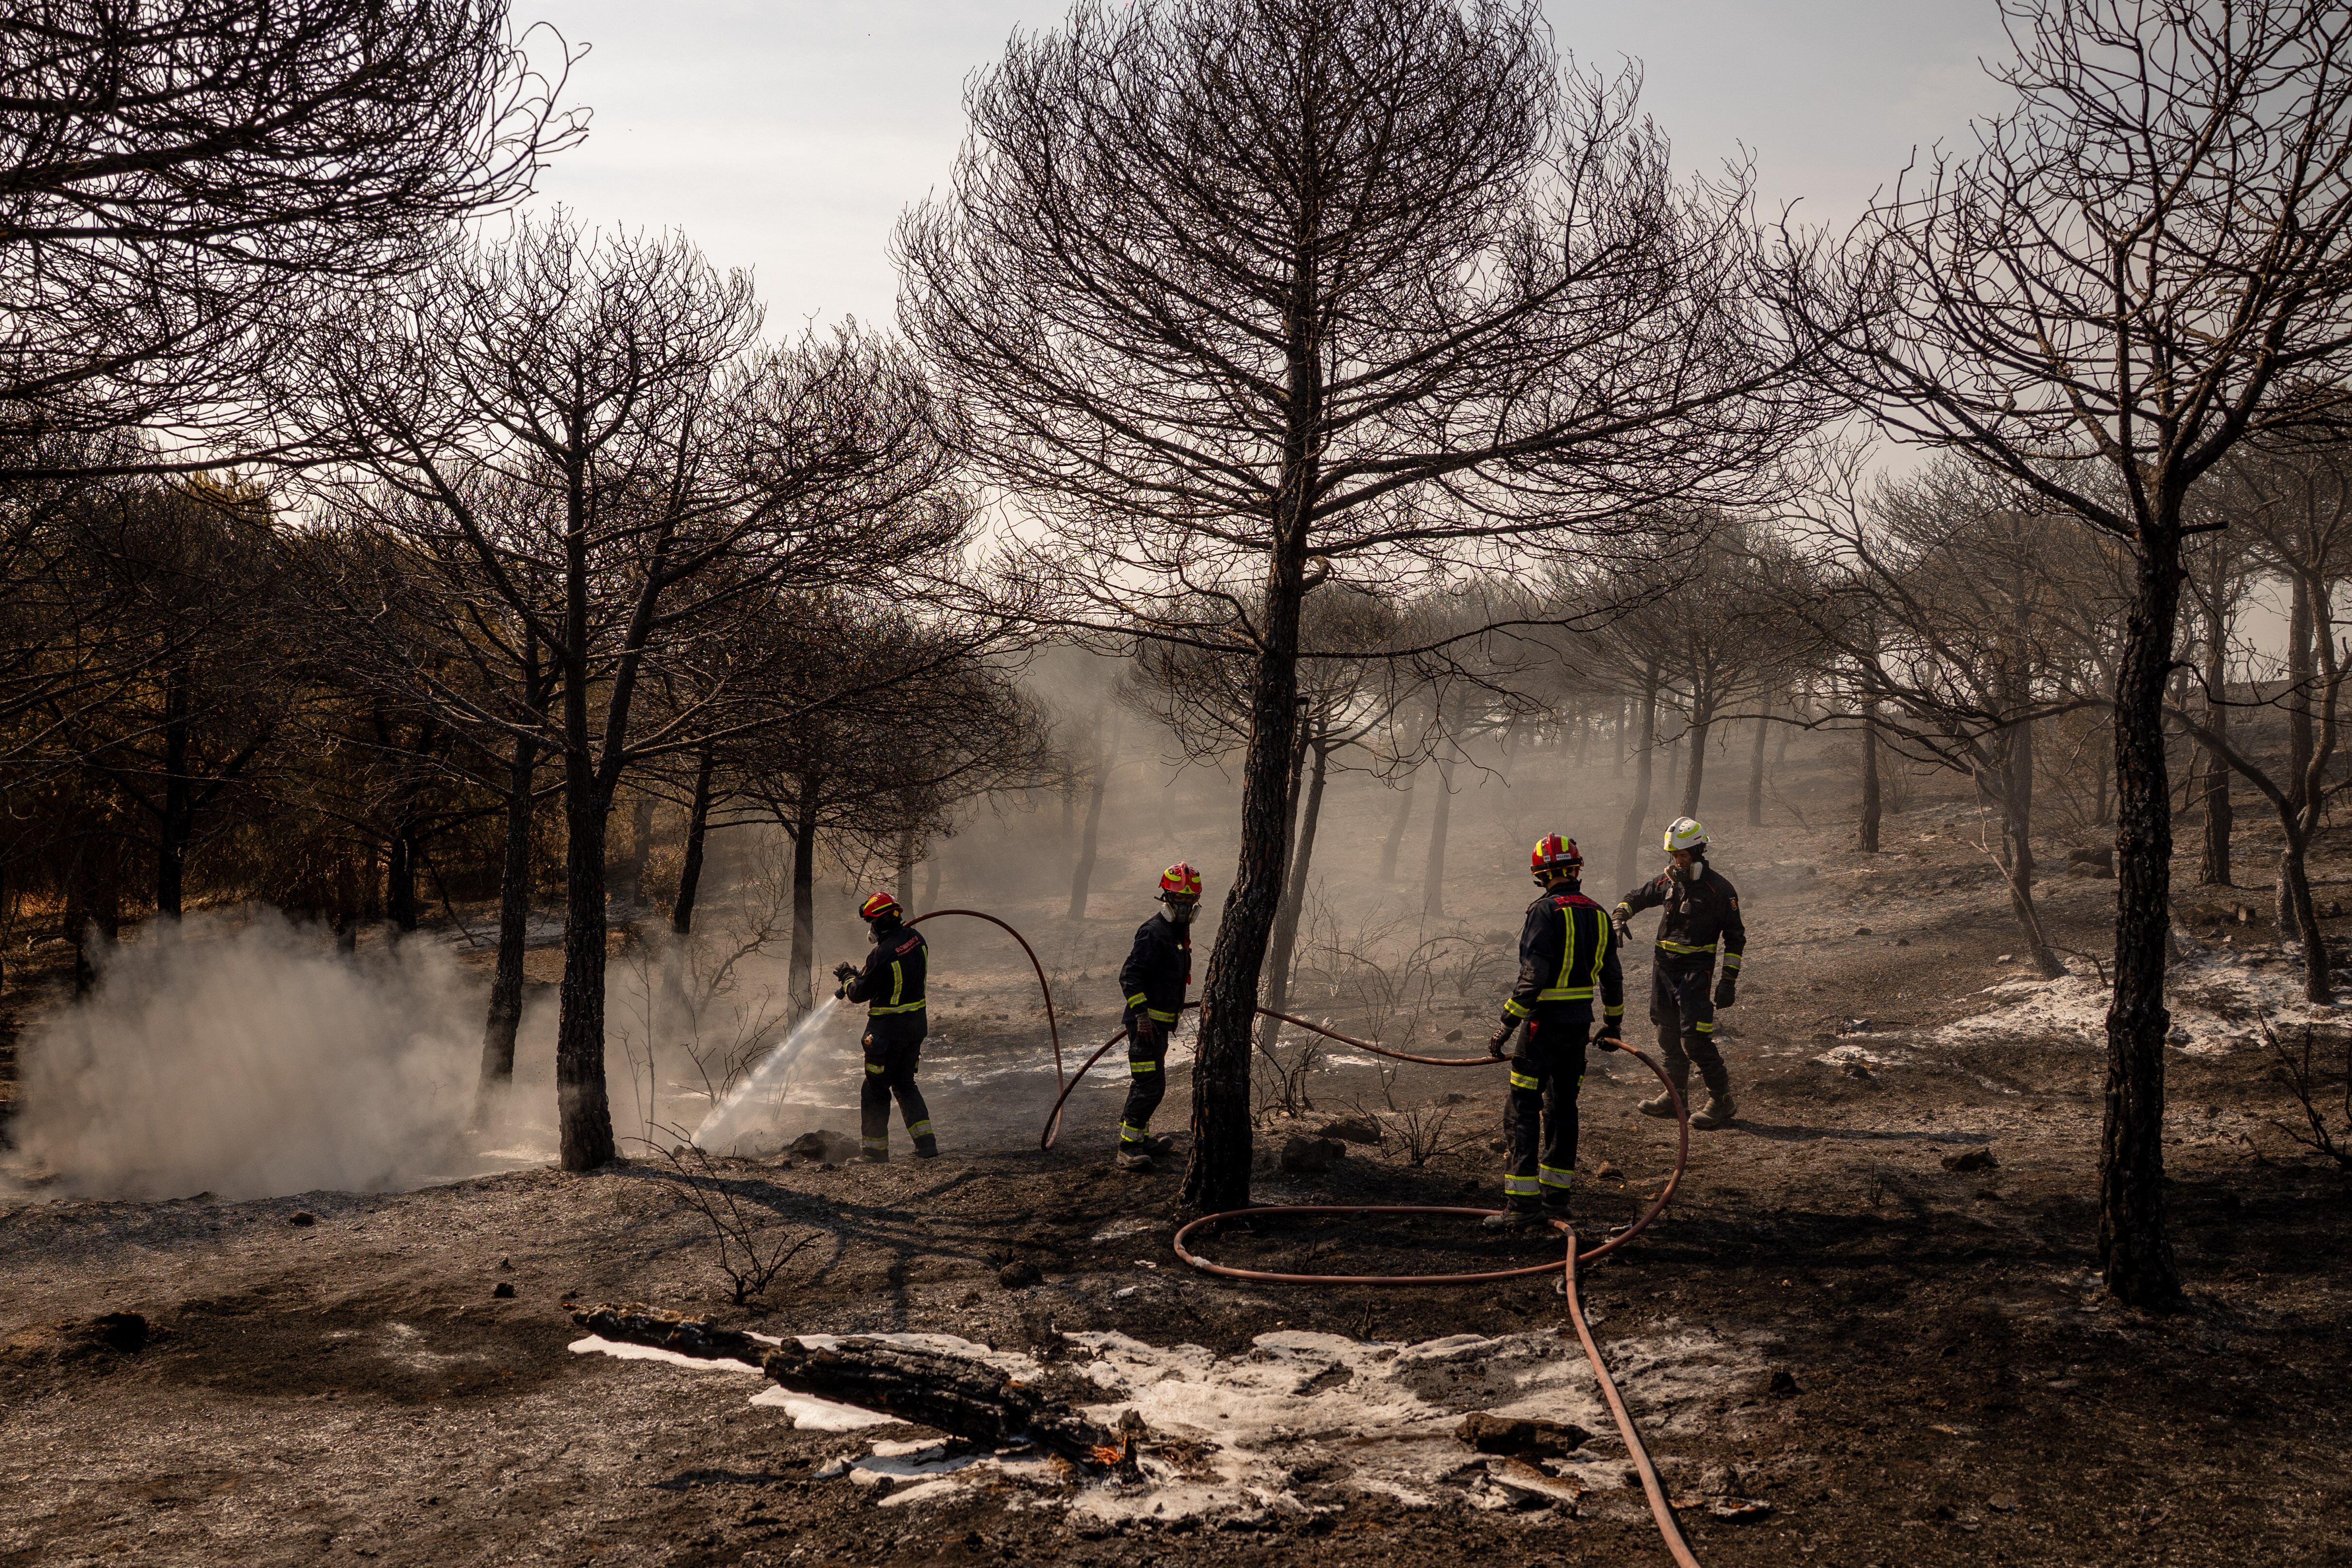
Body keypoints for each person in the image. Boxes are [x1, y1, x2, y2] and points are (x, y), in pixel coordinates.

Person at [1482, 834, 1624, 1228]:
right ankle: (1556, 1201)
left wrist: (1505, 1025)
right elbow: (1612, 976)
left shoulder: (1544, 912)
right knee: (1562, 1109)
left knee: (1522, 1109)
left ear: (1539, 875)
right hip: (1579, 1028)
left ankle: (1522, 1207)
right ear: (1577, 869)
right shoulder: (1598, 913)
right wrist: (1613, 1023)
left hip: (1541, 1029)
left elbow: (1533, 976)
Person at [1613, 816, 1745, 1130]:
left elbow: (1736, 937)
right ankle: (1676, 1098)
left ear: (1698, 853)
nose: (1677, 862)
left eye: (1683, 856)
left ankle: (1721, 1100)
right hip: (1663, 973)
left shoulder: (1719, 889)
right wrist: (1619, 915)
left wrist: (1728, 981)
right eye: (1673, 856)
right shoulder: (1668, 883)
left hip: (1694, 976)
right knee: (1666, 1034)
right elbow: (1636, 897)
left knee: (1695, 1041)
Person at [833, 890, 937, 1162]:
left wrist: (847, 977)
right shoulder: (918, 940)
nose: (871, 928)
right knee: (905, 1084)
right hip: (915, 1029)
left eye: (871, 923)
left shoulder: (882, 954)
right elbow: (886, 979)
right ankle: (927, 1146)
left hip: (885, 1034)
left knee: (875, 1090)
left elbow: (857, 994)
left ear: (878, 924)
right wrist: (862, 976)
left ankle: (874, 1152)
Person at [1114, 861, 1200, 1172]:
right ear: (1166, 899)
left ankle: (1141, 1139)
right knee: (1149, 1085)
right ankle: (1127, 1149)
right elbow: (1130, 976)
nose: (1186, 908)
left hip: (1159, 1026)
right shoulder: (1154, 932)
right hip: (1146, 1028)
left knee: (1151, 1083)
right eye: (1180, 902)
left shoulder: (1177, 933)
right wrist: (1142, 1018)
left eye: (1190, 903)